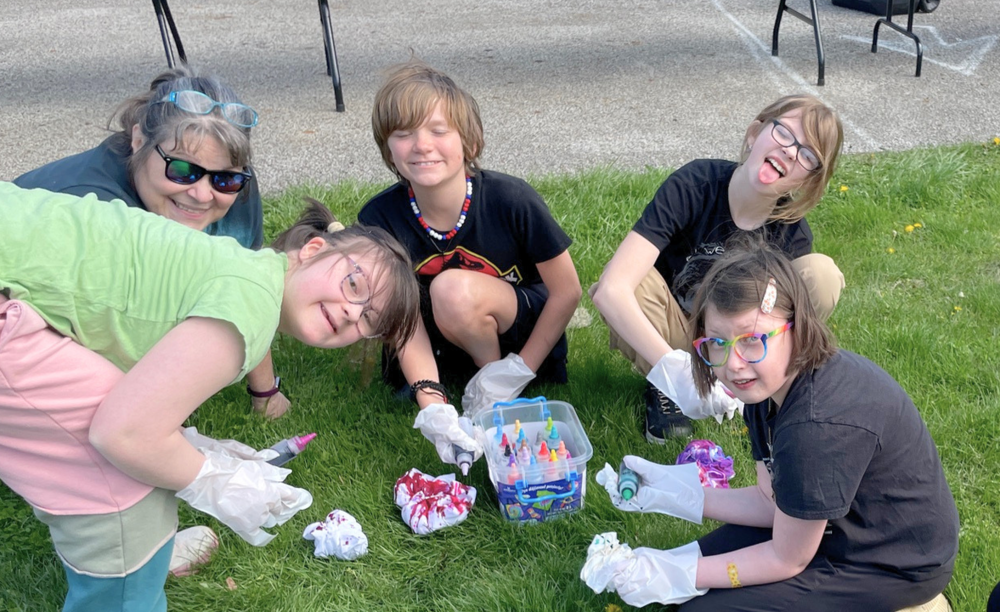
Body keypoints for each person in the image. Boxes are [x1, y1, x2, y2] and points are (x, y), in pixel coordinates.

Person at [0, 182, 420, 612]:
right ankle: (128, 574)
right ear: (313, 249)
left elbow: (143, 390)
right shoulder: (252, 308)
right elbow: (123, 433)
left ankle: (142, 556)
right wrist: (217, 483)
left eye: (368, 320)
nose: (353, 312)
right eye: (354, 284)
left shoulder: (243, 267)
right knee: (127, 495)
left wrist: (190, 447)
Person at [589, 239, 959, 612]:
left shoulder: (816, 425)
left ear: (797, 327)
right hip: (822, 525)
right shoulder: (765, 387)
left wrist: (682, 573)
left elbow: (787, 559)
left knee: (698, 608)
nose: (733, 364)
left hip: (889, 564)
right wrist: (671, 492)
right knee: (688, 593)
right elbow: (772, 503)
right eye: (717, 342)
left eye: (752, 340)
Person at [12, 66, 291, 420]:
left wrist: (265, 392)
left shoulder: (232, 190)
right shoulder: (91, 211)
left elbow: (248, 290)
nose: (203, 194)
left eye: (224, 178)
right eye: (183, 171)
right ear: (139, 140)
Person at [356, 60, 581, 466]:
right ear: (388, 148)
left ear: (469, 142)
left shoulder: (511, 200)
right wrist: (432, 404)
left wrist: (517, 370)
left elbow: (568, 290)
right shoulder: (379, 219)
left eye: (438, 131)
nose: (422, 144)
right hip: (432, 340)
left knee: (451, 289)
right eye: (403, 134)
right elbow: (399, 321)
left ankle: (492, 382)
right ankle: (450, 382)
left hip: (517, 332)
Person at [589, 94, 845, 443]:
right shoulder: (695, 184)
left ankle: (761, 387)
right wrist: (674, 371)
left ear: (807, 181)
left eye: (808, 155)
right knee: (634, 284)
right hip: (676, 332)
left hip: (737, 342)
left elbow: (775, 321)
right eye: (785, 134)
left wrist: (742, 362)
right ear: (755, 133)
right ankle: (668, 389)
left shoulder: (793, 234)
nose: (790, 151)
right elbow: (610, 289)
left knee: (820, 274)